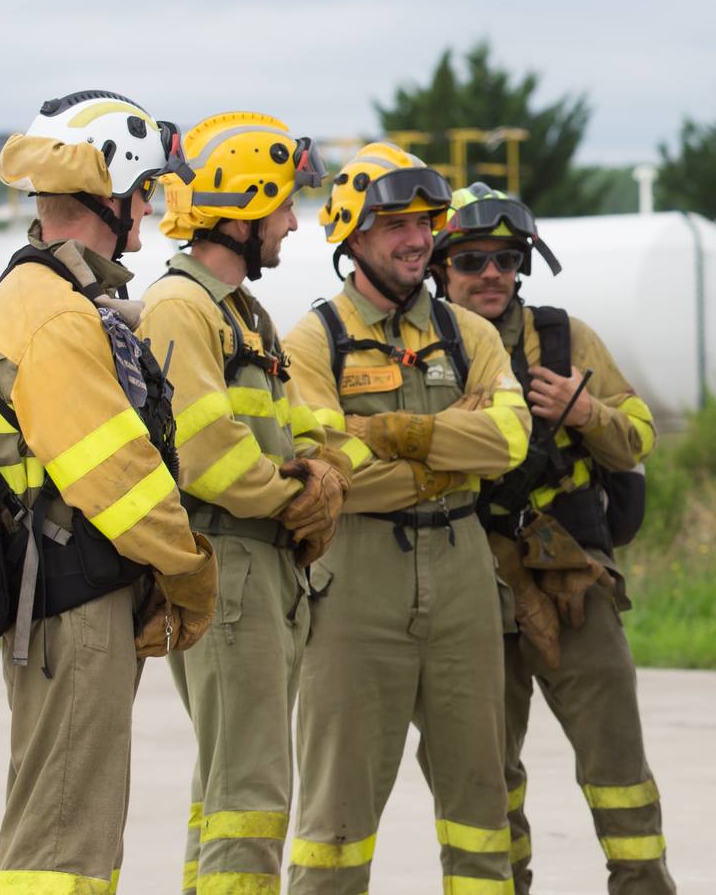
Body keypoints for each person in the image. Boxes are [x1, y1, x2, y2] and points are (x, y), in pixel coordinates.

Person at [0, 90, 216, 893]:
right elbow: (115, 477)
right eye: (143, 191)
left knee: (73, 829)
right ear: (107, 194)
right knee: (62, 844)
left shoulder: (57, 298)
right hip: (70, 608)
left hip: (68, 599)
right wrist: (188, 567)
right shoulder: (53, 314)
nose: (149, 209)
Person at [284, 143, 531, 894]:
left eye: (425, 221)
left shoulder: (471, 335)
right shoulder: (311, 341)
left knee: (480, 808)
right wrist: (454, 449)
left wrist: (391, 434)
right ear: (351, 235)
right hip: (354, 584)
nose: (417, 238)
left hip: (463, 578)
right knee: (335, 819)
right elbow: (328, 471)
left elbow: (511, 442)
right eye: (394, 223)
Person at [430, 183, 673, 894]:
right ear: (441, 266)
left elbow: (638, 439)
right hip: (468, 584)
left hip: (571, 578)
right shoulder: (424, 350)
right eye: (472, 259)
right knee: (483, 772)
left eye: (507, 259)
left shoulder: (564, 338)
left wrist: (586, 410)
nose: (492, 274)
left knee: (617, 760)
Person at [137, 112, 346, 895]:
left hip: (265, 568)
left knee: (230, 788)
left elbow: (289, 432)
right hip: (229, 566)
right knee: (249, 796)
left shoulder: (241, 315)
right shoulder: (180, 308)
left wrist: (322, 471)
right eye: (285, 204)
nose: (294, 222)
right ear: (244, 210)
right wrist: (297, 498)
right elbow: (205, 454)